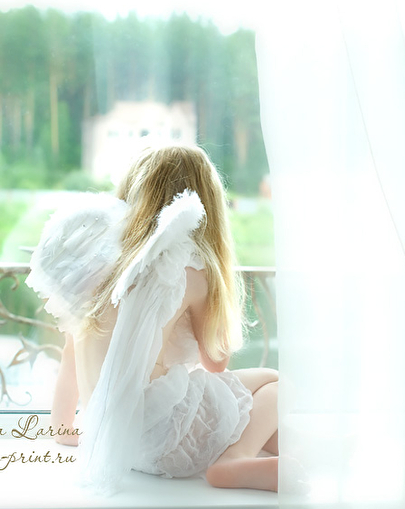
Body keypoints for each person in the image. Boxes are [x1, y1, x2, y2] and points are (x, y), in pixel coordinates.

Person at [26, 144, 279, 493]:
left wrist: (66, 429)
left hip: (118, 446)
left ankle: (290, 453)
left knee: (260, 418)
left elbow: (70, 357)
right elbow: (215, 363)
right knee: (275, 383)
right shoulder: (188, 268)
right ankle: (235, 460)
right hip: (167, 434)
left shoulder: (94, 269)